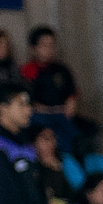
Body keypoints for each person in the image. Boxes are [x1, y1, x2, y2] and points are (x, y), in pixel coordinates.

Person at [23, 25, 89, 154]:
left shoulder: (62, 69)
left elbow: (72, 92)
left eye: (51, 44)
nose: (49, 49)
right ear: (34, 48)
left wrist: (71, 101)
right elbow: (29, 100)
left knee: (83, 133)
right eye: (44, 45)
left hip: (62, 114)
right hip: (41, 117)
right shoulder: (28, 70)